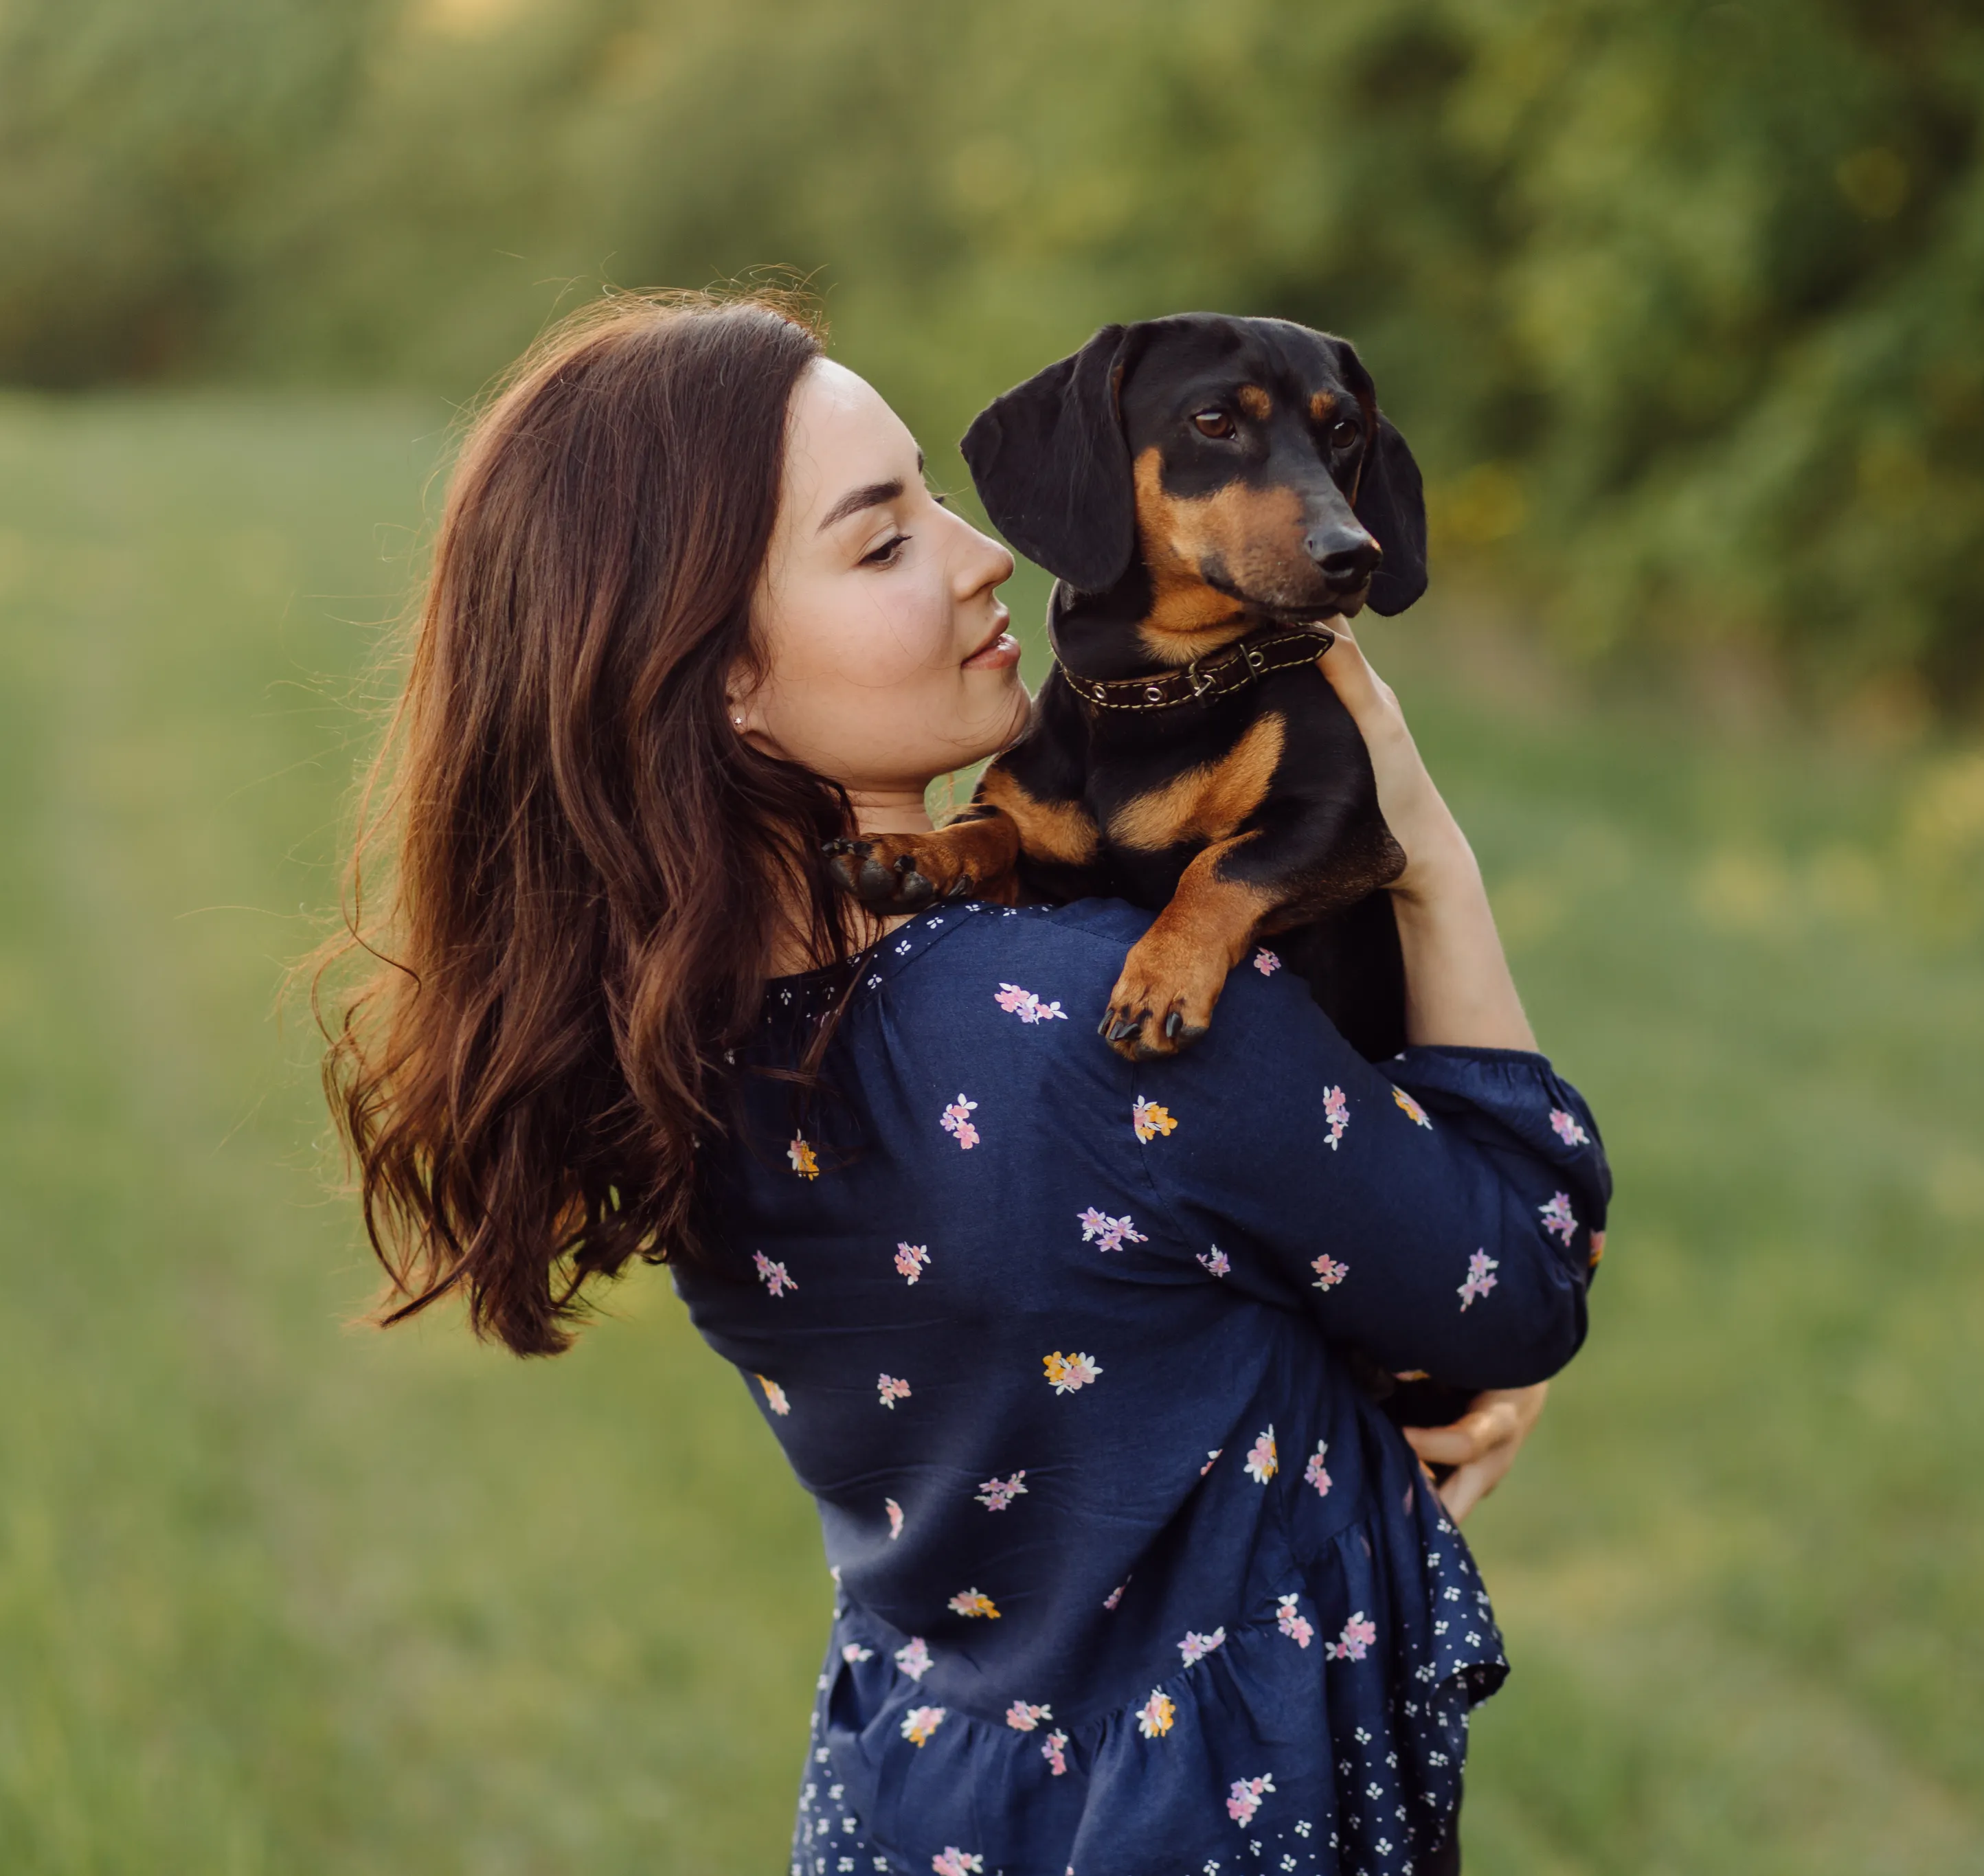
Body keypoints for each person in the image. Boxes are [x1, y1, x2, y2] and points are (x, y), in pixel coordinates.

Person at [319, 288, 1612, 1875]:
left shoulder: (680, 1049)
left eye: (935, 493)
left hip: (916, 1802)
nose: (983, 550)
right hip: (1205, 1820)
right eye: (882, 541)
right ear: (718, 675)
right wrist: (1423, 851)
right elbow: (1516, 1282)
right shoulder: (1091, 1020)